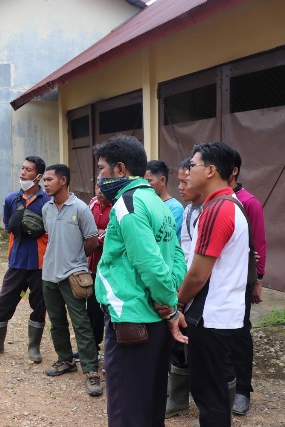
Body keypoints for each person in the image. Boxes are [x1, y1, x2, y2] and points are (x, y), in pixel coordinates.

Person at [93, 135, 187, 426]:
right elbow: (178, 259)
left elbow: (151, 265)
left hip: (130, 320)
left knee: (127, 409)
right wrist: (169, 304)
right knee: (150, 402)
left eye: (102, 169)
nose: (99, 177)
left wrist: (170, 306)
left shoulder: (127, 205)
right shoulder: (158, 203)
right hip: (154, 320)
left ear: (120, 170)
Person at [170, 142, 250, 426]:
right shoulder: (227, 204)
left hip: (210, 316)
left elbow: (198, 274)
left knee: (209, 394)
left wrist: (177, 303)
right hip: (219, 314)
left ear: (211, 170)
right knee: (211, 390)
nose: (188, 172)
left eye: (193, 166)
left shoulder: (217, 209)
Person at [0, 156, 50, 362]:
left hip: (40, 265)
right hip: (17, 263)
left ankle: (33, 347)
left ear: (39, 176)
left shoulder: (48, 202)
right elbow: (9, 227)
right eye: (22, 168)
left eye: (28, 170)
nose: (22, 173)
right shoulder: (11, 200)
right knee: (3, 303)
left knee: (39, 305)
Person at [40, 164, 102, 396]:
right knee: (56, 321)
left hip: (72, 276)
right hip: (49, 275)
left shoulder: (80, 208)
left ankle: (91, 371)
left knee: (81, 323)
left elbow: (93, 240)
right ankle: (65, 359)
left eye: (49, 179)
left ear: (63, 180)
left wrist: (76, 260)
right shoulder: (46, 208)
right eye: (44, 180)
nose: (45, 184)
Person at [228, 149, 267, 416]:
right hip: (216, 281)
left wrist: (258, 280)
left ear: (232, 171)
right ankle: (224, 385)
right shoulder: (209, 200)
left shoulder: (248, 201)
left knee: (240, 334)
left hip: (241, 281)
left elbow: (260, 243)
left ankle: (242, 389)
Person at [165, 157, 204, 418]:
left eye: (185, 180)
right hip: (186, 286)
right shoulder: (189, 210)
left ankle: (210, 409)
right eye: (179, 180)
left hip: (203, 292)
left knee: (203, 351)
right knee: (179, 344)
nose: (181, 186)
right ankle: (177, 400)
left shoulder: (214, 210)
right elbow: (184, 251)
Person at [87, 184, 111, 354]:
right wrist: (96, 233)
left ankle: (110, 350)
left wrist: (94, 236)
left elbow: (110, 235)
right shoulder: (93, 203)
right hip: (92, 267)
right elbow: (85, 229)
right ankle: (92, 348)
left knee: (108, 310)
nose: (100, 191)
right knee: (92, 309)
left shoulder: (117, 206)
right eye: (97, 186)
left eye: (104, 187)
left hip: (109, 270)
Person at [145, 160, 184, 238]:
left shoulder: (175, 208)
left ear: (162, 180)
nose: (145, 184)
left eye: (149, 181)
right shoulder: (146, 204)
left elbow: (162, 236)